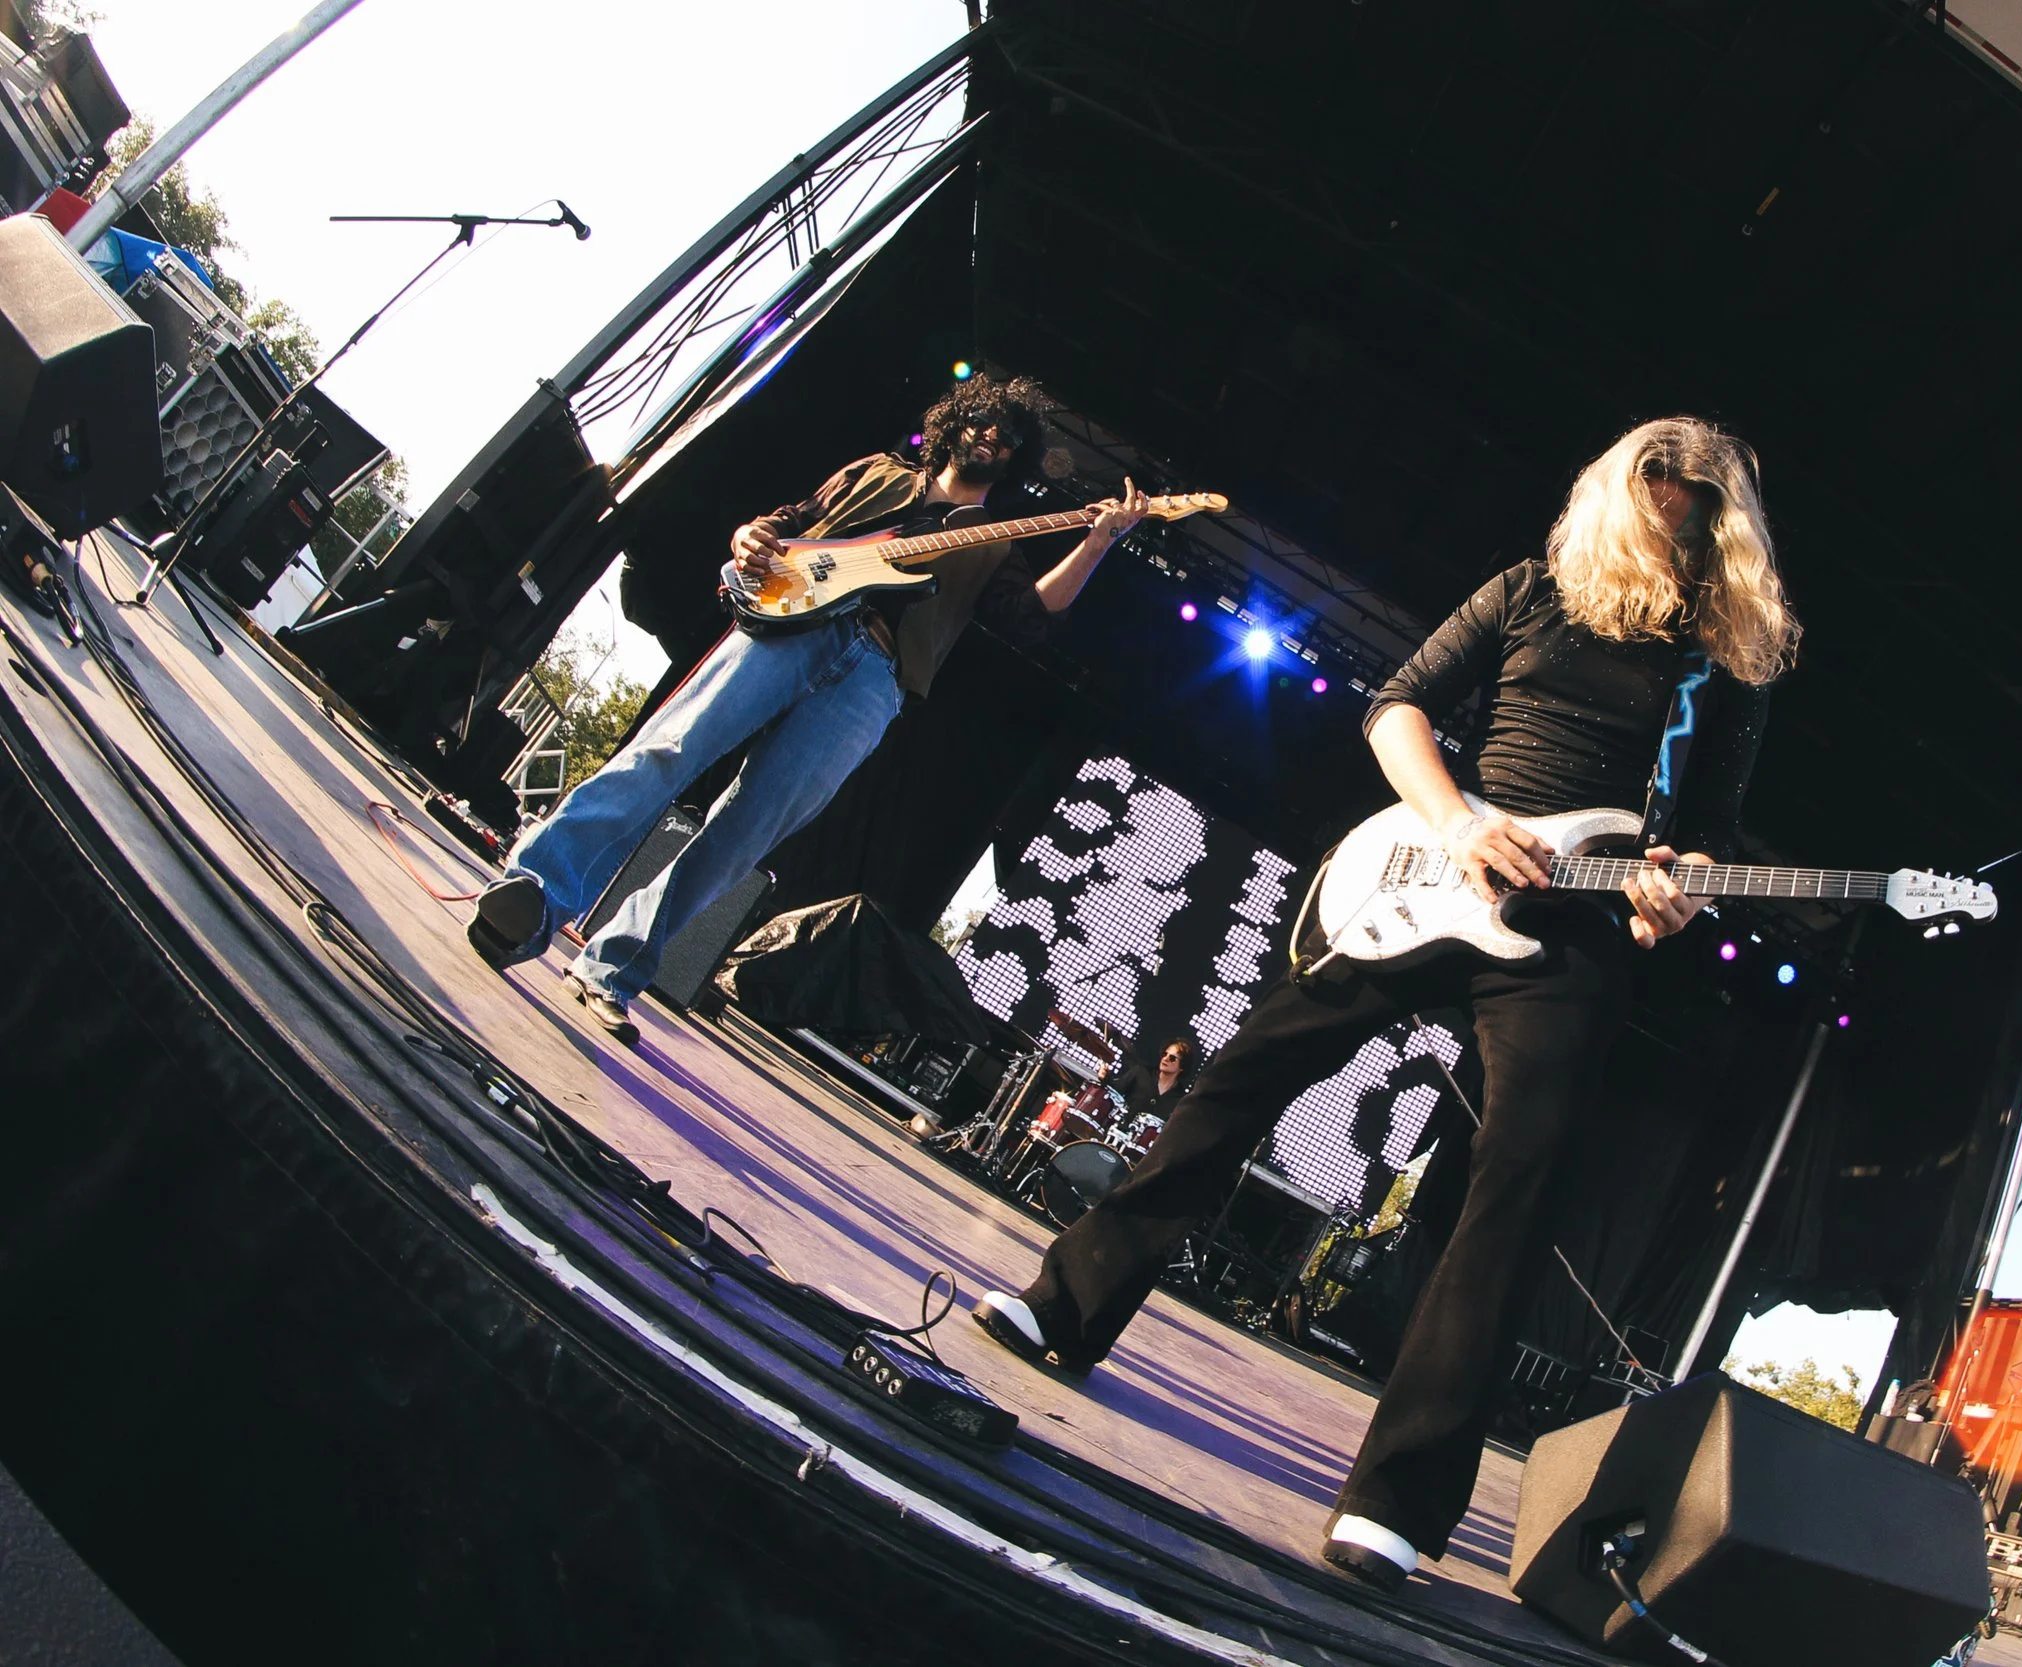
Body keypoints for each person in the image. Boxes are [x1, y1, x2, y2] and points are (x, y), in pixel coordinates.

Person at [973, 414, 1797, 1587]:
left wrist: (1681, 897)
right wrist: (1460, 821)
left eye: (1705, 490)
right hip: (1432, 875)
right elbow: (1398, 708)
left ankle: (1398, 1501)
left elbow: (1702, 842)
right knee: (1243, 1078)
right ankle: (1065, 1304)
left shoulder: (1720, 667)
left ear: (1729, 519)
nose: (1677, 496)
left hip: (1569, 937)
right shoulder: (1531, 588)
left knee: (1516, 1182)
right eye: (1658, 473)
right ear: (1619, 480)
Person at [467, 373, 1148, 1042]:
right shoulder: (878, 472)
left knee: (746, 833)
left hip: (873, 681)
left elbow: (1031, 616)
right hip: (787, 629)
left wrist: (1096, 542)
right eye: (984, 422)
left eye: (1011, 437)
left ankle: (612, 970)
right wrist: (750, 537)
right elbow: (787, 522)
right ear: (955, 424)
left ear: (1019, 457)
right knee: (668, 752)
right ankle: (534, 893)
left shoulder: (993, 542)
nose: (994, 436)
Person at [1115, 1037, 1198, 1127]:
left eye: (1172, 1058)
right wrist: (1105, 1078)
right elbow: (1114, 1093)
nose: (1165, 1059)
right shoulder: (1140, 1073)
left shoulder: (1180, 1101)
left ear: (1182, 1066)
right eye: (1165, 1054)